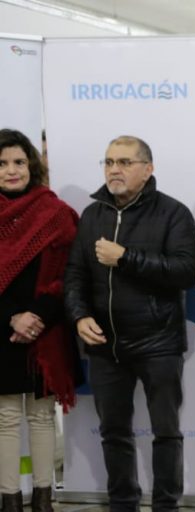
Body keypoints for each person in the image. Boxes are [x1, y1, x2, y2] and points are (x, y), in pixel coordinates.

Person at [64, 135, 195, 512]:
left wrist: (125, 257)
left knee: (166, 433)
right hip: (104, 345)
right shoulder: (92, 215)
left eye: (124, 162)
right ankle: (122, 503)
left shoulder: (173, 213)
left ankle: (166, 505)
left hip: (159, 343)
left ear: (147, 169)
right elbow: (75, 274)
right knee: (113, 433)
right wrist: (79, 315)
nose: (114, 170)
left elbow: (187, 271)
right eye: (109, 162)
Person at [0, 129, 80, 512]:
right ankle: (10, 500)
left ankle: (44, 499)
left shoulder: (55, 213)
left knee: (42, 416)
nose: (11, 170)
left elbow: (70, 274)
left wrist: (36, 317)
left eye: (19, 162)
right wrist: (12, 318)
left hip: (45, 331)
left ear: (32, 165)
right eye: (2, 164)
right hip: (3, 331)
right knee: (6, 417)